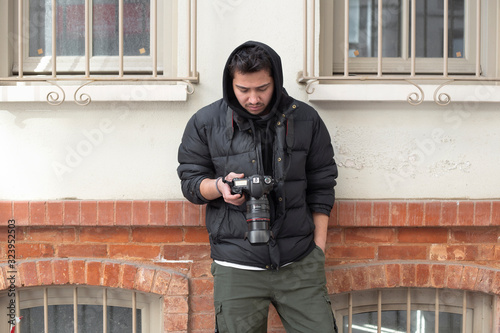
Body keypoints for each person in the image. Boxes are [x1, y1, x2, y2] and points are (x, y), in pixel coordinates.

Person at [177, 41, 338, 333]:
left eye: (262, 88)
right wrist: (219, 186)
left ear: (275, 80)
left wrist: (318, 250)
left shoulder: (306, 119)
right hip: (237, 265)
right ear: (231, 84)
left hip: (300, 262)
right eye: (243, 90)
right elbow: (190, 183)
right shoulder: (205, 122)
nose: (253, 98)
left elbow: (322, 185)